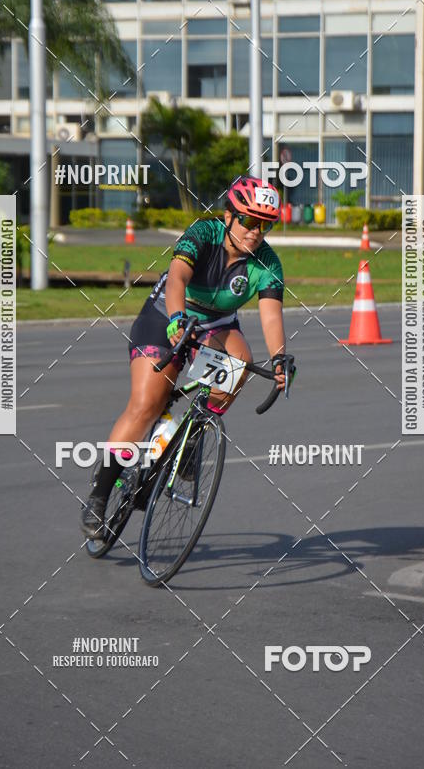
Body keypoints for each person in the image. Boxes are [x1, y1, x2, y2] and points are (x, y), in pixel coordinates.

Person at [81, 175, 294, 539]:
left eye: (265, 224)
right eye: (249, 220)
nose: (256, 231)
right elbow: (178, 277)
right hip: (167, 314)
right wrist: (178, 319)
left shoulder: (267, 262)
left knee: (241, 361)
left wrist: (279, 358)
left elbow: (271, 313)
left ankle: (192, 435)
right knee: (148, 403)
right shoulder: (204, 232)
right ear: (229, 216)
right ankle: (99, 496)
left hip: (217, 323)